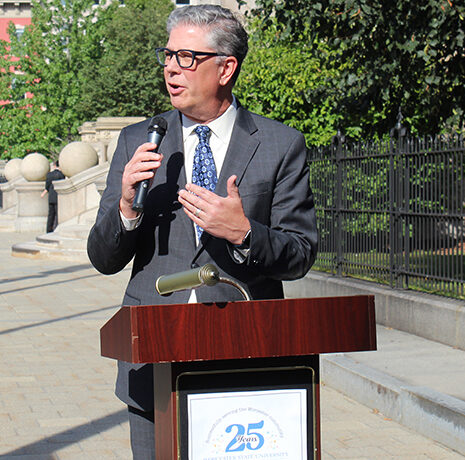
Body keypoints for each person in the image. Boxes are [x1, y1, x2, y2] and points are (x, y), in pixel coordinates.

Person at [87, 4, 318, 459]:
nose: (172, 68)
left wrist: (244, 233)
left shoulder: (279, 144)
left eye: (187, 58)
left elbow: (302, 251)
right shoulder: (139, 140)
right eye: (168, 56)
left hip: (245, 354)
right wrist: (126, 206)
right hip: (152, 358)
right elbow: (103, 257)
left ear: (226, 67)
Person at [41, 160, 65, 233]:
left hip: (51, 196)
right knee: (58, 214)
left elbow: (47, 185)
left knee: (51, 214)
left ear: (54, 165)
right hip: (58, 196)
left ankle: (49, 229)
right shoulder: (62, 175)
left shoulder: (49, 175)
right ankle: (56, 228)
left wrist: (45, 192)